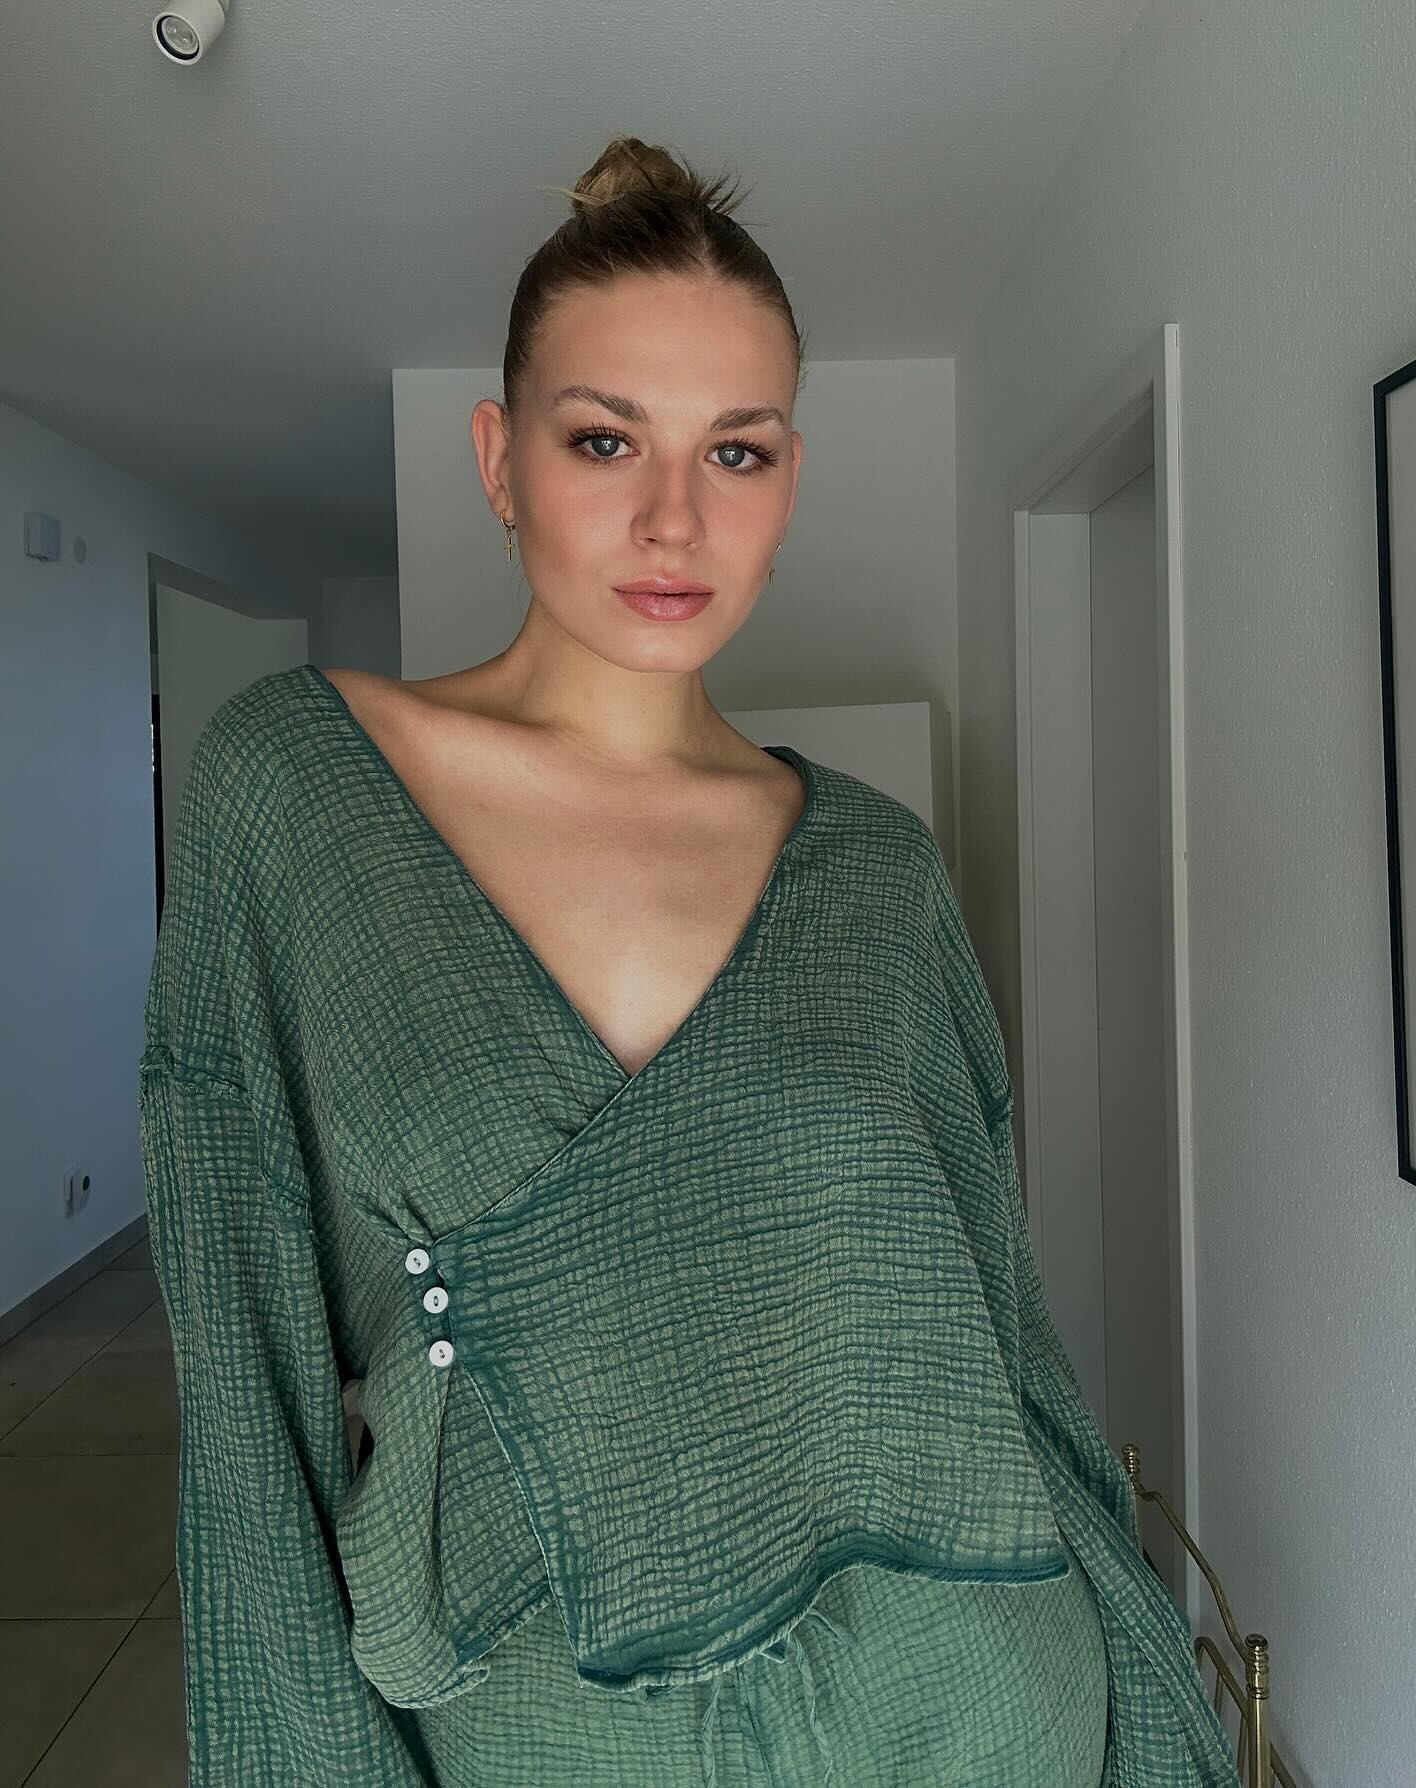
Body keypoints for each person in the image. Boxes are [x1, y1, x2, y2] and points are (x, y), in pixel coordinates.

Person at [138, 136, 1241, 1786]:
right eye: (605, 440)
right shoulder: (296, 795)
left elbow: (998, 1339)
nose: (674, 517)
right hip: (547, 1726)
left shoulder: (875, 870)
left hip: (974, 1695)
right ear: (498, 459)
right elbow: (247, 1390)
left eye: (737, 449)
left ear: (790, 478)